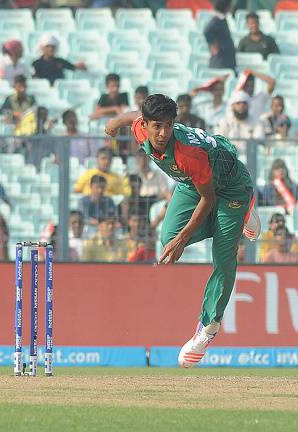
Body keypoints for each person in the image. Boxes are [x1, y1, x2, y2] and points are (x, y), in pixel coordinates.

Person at [105, 93, 261, 368]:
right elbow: (132, 117)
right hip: (193, 185)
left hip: (229, 185)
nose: (164, 133)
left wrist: (185, 237)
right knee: (167, 239)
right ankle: (235, 221)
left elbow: (209, 199)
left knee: (224, 256)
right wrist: (115, 122)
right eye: (157, 126)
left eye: (169, 125)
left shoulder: (187, 153)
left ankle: (208, 327)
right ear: (147, 124)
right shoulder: (141, 129)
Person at [204, 0, 236, 70]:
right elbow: (207, 31)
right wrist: (212, 44)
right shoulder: (216, 20)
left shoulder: (222, 19)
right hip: (220, 63)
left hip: (227, 62)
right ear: (226, 7)